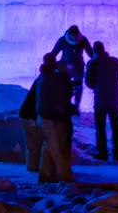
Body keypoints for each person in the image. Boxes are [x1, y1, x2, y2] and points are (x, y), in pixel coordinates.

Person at [85, 41, 118, 161]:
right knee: (116, 126)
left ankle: (102, 152)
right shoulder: (114, 61)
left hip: (100, 99)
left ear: (94, 51)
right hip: (114, 98)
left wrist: (95, 86)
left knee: (100, 127)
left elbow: (88, 81)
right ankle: (116, 152)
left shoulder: (92, 63)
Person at [35, 54, 75, 182]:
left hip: (44, 115)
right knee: (56, 148)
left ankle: (46, 175)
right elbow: (59, 95)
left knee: (49, 147)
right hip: (50, 116)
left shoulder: (43, 76)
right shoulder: (51, 78)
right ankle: (64, 176)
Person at [49, 25, 94, 108]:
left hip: (78, 67)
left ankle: (76, 106)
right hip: (64, 67)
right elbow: (53, 53)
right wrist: (51, 64)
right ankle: (64, 105)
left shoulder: (83, 40)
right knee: (63, 87)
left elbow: (91, 53)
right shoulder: (62, 40)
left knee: (78, 87)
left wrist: (96, 60)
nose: (74, 38)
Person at [20, 74, 43, 174]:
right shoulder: (44, 82)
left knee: (33, 142)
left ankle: (34, 166)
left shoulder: (42, 80)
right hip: (30, 115)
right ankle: (33, 167)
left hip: (29, 114)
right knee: (34, 142)